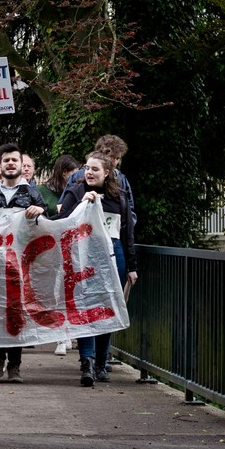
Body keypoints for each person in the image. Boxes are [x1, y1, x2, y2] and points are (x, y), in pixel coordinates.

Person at [57, 151, 138, 386]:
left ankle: (102, 361)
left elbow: (127, 234)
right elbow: (61, 222)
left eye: (95, 169)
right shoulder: (75, 192)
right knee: (86, 307)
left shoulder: (119, 197)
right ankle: (87, 362)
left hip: (115, 254)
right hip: (85, 255)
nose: (89, 173)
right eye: (87, 169)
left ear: (107, 173)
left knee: (107, 307)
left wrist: (132, 266)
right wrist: (82, 205)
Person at [0, 143, 46, 383]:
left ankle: (15, 365)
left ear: (22, 165)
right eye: (7, 161)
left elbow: (49, 225)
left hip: (23, 264)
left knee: (17, 314)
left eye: (15, 160)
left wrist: (41, 212)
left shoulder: (33, 194)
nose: (11, 164)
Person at [36, 154, 81, 356]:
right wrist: (59, 214)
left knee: (72, 290)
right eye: (73, 173)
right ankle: (60, 335)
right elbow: (42, 217)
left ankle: (72, 332)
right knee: (55, 291)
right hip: (51, 246)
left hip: (73, 246)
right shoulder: (43, 191)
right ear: (63, 173)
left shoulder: (77, 190)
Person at [60, 134, 136, 223]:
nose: (114, 162)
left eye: (117, 158)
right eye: (111, 157)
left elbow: (130, 214)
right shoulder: (78, 176)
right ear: (100, 154)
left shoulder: (121, 179)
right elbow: (62, 209)